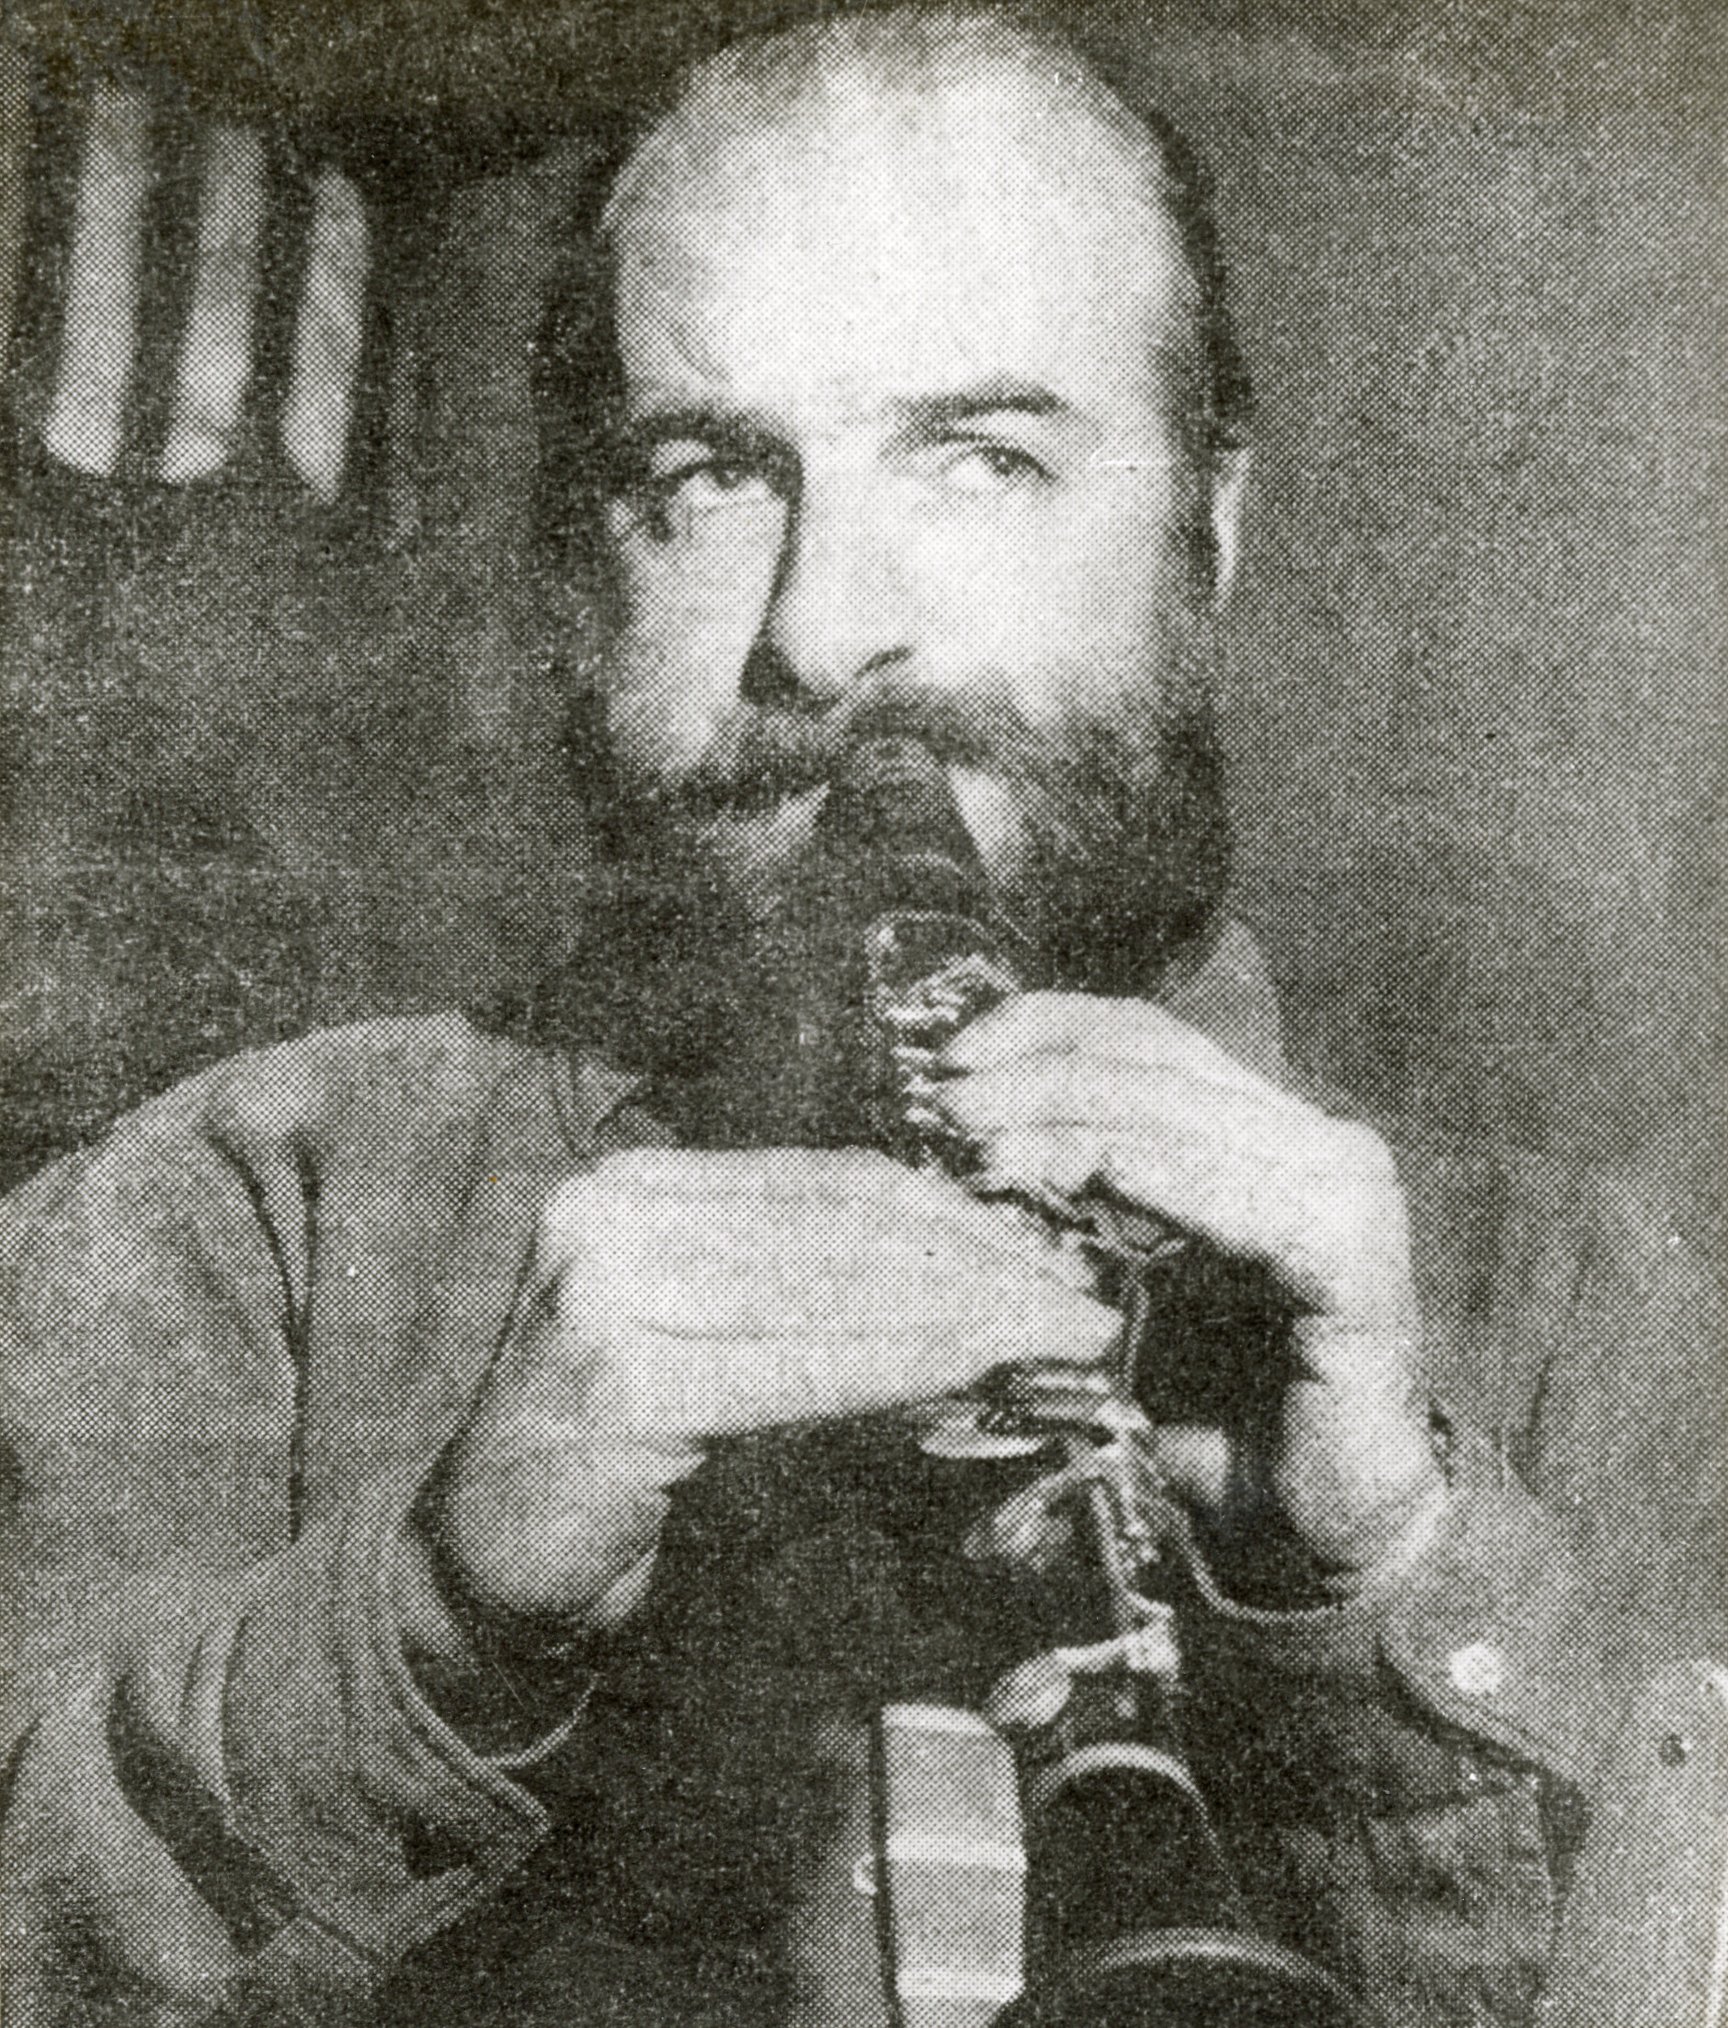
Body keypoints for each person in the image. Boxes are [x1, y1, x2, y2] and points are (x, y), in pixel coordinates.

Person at [0, 8, 1719, 2026]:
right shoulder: (230, 1222)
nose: (825, 635)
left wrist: (1400, 1579)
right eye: (710, 475)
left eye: (983, 458)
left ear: (1210, 528)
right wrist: (432, 1620)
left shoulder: (1601, 1315)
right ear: (586, 566)